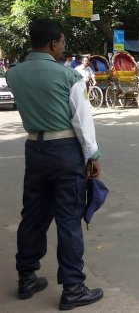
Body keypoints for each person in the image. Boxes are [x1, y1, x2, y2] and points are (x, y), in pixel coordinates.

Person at [7, 20, 104, 310]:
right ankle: (73, 287)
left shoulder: (14, 73)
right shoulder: (69, 76)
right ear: (52, 43)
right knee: (69, 219)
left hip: (35, 150)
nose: (63, 47)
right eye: (62, 42)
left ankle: (27, 277)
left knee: (33, 214)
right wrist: (93, 155)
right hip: (65, 152)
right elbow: (82, 121)